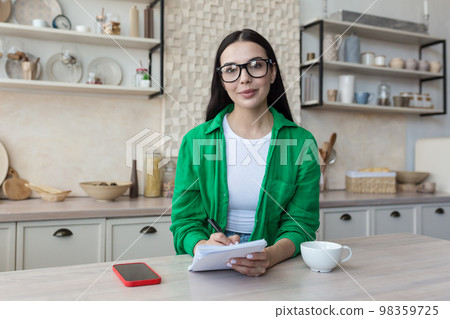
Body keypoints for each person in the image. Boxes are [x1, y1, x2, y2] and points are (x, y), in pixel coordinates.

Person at [170, 29, 320, 277]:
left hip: (276, 265)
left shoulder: (302, 143)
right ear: (222, 80)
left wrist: (269, 256)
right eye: (231, 69)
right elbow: (184, 222)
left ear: (272, 72)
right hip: (210, 267)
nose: (244, 78)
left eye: (255, 66)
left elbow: (301, 223)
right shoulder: (196, 141)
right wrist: (202, 246)